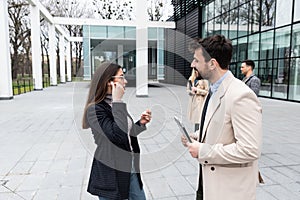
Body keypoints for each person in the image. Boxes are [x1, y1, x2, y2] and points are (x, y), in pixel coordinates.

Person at [182, 35, 262, 200]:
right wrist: (197, 137)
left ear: (212, 63)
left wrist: (203, 150)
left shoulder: (241, 95)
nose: (192, 64)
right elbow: (220, 127)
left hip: (228, 190)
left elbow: (249, 149)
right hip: (208, 183)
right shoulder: (215, 89)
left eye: (196, 60)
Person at [82, 62, 152, 200]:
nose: (125, 81)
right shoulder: (95, 110)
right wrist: (118, 100)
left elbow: (125, 133)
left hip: (129, 166)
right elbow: (117, 136)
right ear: (109, 82)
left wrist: (139, 124)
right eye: (121, 77)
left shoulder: (115, 104)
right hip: (112, 172)